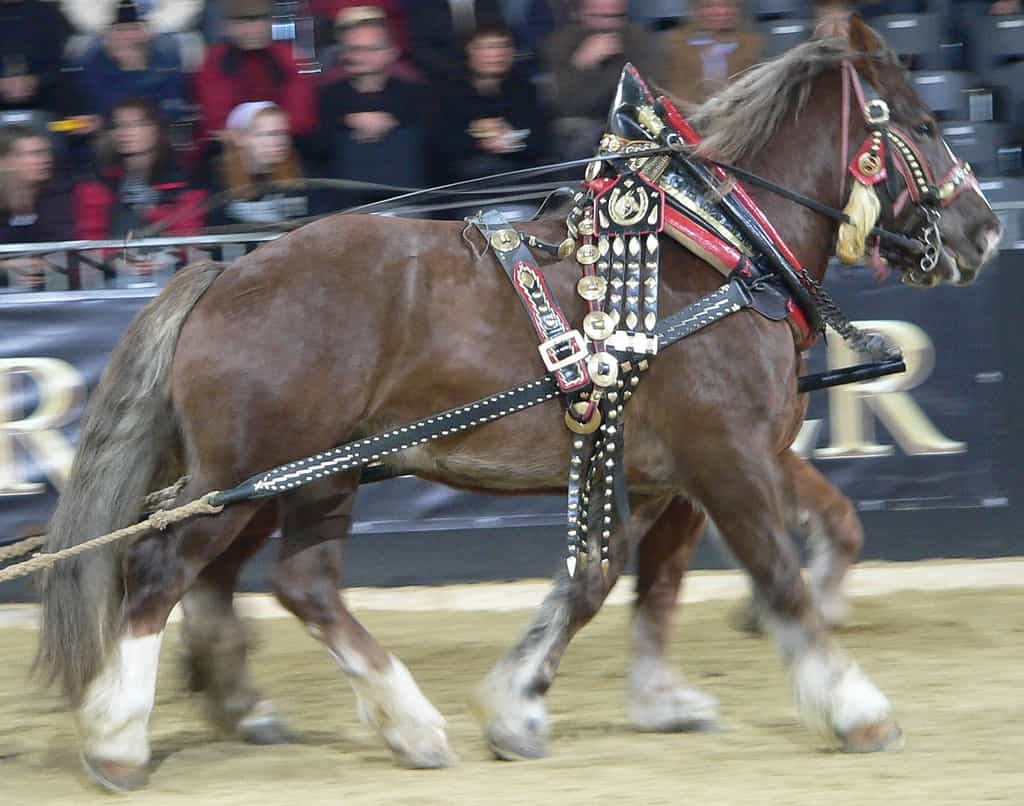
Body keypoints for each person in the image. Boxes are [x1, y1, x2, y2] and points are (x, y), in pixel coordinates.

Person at [74, 98, 206, 284]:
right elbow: (90, 239)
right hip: (113, 277)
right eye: (119, 126)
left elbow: (190, 235)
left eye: (137, 124)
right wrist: (115, 261)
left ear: (156, 129)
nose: (125, 132)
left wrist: (152, 211)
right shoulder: (98, 181)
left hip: (174, 275)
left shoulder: (183, 179)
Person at [313, 10, 427, 205]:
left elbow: (435, 147)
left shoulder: (414, 93)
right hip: (346, 206)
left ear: (391, 52)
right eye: (352, 49)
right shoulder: (328, 95)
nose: (357, 56)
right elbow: (316, 150)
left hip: (407, 203)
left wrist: (394, 121)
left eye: (368, 49)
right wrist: (345, 122)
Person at [195, 0, 317, 156]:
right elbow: (217, 120)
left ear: (270, 22)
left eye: (258, 21)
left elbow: (301, 117)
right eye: (241, 22)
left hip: (282, 143)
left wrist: (269, 136)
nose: (251, 30)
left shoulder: (286, 58)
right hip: (231, 148)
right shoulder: (214, 60)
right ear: (228, 27)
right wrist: (253, 139)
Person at [543, 0, 658, 160]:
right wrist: (582, 65)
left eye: (616, 16)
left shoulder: (639, 40)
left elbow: (643, 95)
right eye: (600, 17)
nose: (608, 24)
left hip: (629, 120)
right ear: (579, 15)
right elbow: (565, 105)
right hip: (581, 124)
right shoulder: (559, 44)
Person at [437, 24, 548, 180]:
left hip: (521, 179)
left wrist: (515, 139)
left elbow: (542, 142)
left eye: (505, 46)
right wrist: (480, 142)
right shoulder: (447, 94)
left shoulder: (525, 91)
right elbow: (439, 147)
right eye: (489, 47)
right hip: (465, 186)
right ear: (469, 51)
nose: (498, 53)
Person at [75, 0, 190, 123]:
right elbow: (61, 125)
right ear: (106, 36)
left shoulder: (167, 61)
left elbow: (176, 113)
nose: (127, 36)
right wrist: (77, 125)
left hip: (156, 133)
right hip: (108, 133)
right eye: (119, 29)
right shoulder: (91, 63)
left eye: (134, 28)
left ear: (148, 34)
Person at [210, 101, 312, 226]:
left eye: (283, 133)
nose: (280, 141)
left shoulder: (303, 175)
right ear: (240, 138)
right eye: (268, 134)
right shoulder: (218, 182)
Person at [0, 126, 74, 290]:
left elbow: (76, 250)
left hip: (57, 291)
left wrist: (49, 265)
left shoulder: (62, 198)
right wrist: (5, 267)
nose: (46, 159)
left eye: (46, 152)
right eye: (34, 154)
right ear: (4, 161)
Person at [662, 0, 763, 106]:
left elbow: (753, 95)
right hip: (692, 116)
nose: (720, 12)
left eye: (727, 5)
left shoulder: (752, 45)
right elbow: (677, 97)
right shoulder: (678, 46)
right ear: (697, 10)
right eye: (709, 6)